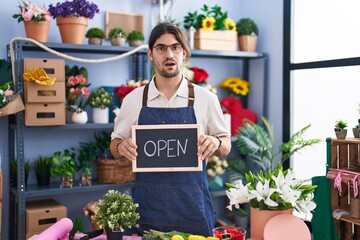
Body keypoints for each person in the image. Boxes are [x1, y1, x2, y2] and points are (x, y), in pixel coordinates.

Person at [110, 22, 231, 236]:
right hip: (147, 210)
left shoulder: (206, 99)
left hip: (193, 208)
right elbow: (115, 144)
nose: (169, 54)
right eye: (161, 48)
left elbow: (225, 145)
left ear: (184, 53)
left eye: (175, 47)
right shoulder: (133, 100)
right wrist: (121, 148)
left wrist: (216, 142)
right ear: (150, 54)